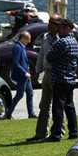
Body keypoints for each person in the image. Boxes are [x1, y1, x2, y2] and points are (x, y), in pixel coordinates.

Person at [27, 13, 65, 141]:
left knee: (58, 105)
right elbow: (41, 55)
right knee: (44, 105)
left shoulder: (62, 39)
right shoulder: (45, 37)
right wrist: (37, 72)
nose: (48, 24)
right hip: (47, 73)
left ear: (59, 25)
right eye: (49, 21)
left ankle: (59, 132)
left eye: (52, 22)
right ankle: (41, 133)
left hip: (58, 73)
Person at [43, 19, 78, 142]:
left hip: (60, 78)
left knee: (58, 108)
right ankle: (74, 132)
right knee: (69, 107)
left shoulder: (62, 42)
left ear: (68, 29)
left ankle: (56, 134)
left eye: (61, 28)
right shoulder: (74, 41)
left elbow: (48, 57)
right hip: (70, 78)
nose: (58, 30)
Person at [7, 31, 37, 119]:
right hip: (22, 75)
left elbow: (24, 61)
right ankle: (8, 113)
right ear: (22, 38)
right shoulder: (17, 47)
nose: (29, 41)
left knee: (30, 93)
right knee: (19, 95)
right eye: (28, 39)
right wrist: (24, 73)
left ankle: (31, 114)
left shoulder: (22, 46)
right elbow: (15, 63)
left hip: (26, 75)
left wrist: (28, 71)